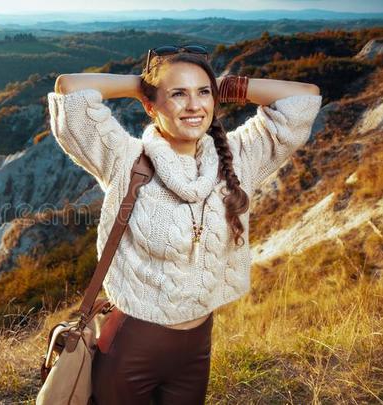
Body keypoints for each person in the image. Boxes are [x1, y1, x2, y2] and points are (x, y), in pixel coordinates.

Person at [47, 45, 322, 404]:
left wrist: (223, 85)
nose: (194, 106)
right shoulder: (125, 158)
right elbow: (70, 89)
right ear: (150, 106)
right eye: (178, 94)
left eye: (203, 93)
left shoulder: (238, 158)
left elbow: (304, 99)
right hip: (132, 345)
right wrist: (143, 84)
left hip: (196, 349)